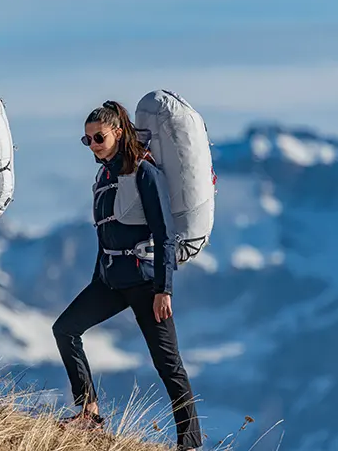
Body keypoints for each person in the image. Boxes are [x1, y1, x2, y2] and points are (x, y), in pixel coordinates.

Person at [52, 101, 202, 450]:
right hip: (111, 282)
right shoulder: (104, 177)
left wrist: (164, 289)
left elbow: (164, 234)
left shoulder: (144, 172)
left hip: (146, 284)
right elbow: (105, 238)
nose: (93, 145)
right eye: (87, 140)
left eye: (99, 137)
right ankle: (88, 414)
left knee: (168, 363)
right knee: (65, 329)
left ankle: (190, 443)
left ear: (118, 133)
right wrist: (98, 280)